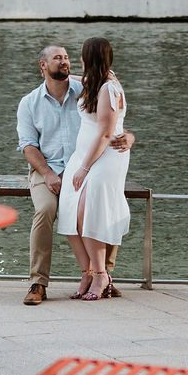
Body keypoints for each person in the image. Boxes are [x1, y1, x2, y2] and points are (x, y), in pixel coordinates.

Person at [16, 43, 131, 306]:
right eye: (58, 58)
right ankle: (38, 282)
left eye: (68, 57)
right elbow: (27, 146)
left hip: (86, 165)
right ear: (43, 66)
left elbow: (113, 121)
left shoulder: (86, 87)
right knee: (46, 211)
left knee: (96, 207)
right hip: (48, 170)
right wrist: (46, 173)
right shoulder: (29, 103)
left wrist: (130, 138)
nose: (65, 61)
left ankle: (102, 274)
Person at [58, 37, 132, 303]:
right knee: (68, 212)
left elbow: (105, 132)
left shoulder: (109, 89)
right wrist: (61, 75)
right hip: (82, 156)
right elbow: (79, 79)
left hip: (106, 157)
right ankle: (87, 271)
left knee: (86, 212)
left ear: (89, 58)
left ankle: (101, 273)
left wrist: (85, 168)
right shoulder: (94, 82)